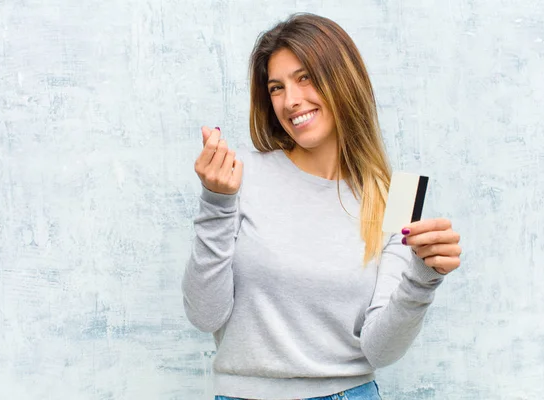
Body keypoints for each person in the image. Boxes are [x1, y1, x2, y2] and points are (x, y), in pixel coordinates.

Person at [182, 12, 462, 400]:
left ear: (342, 79)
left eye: (305, 77)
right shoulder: (238, 176)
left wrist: (423, 276)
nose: (290, 101)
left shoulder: (396, 197)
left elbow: (380, 350)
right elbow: (204, 316)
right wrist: (216, 203)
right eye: (276, 88)